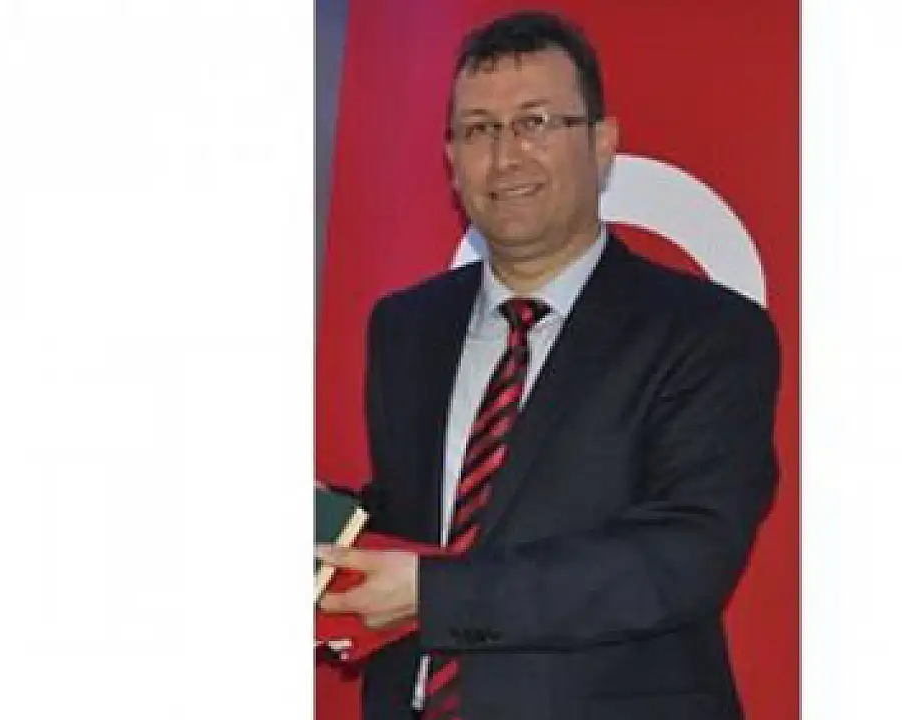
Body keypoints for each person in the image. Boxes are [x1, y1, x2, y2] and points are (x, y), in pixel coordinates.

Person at [316, 10, 780, 720]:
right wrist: (331, 530)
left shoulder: (709, 332)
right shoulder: (406, 327)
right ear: (450, 159)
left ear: (602, 143)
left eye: (534, 123)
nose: (505, 158)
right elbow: (430, 515)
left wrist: (436, 595)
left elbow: (684, 557)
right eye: (478, 130)